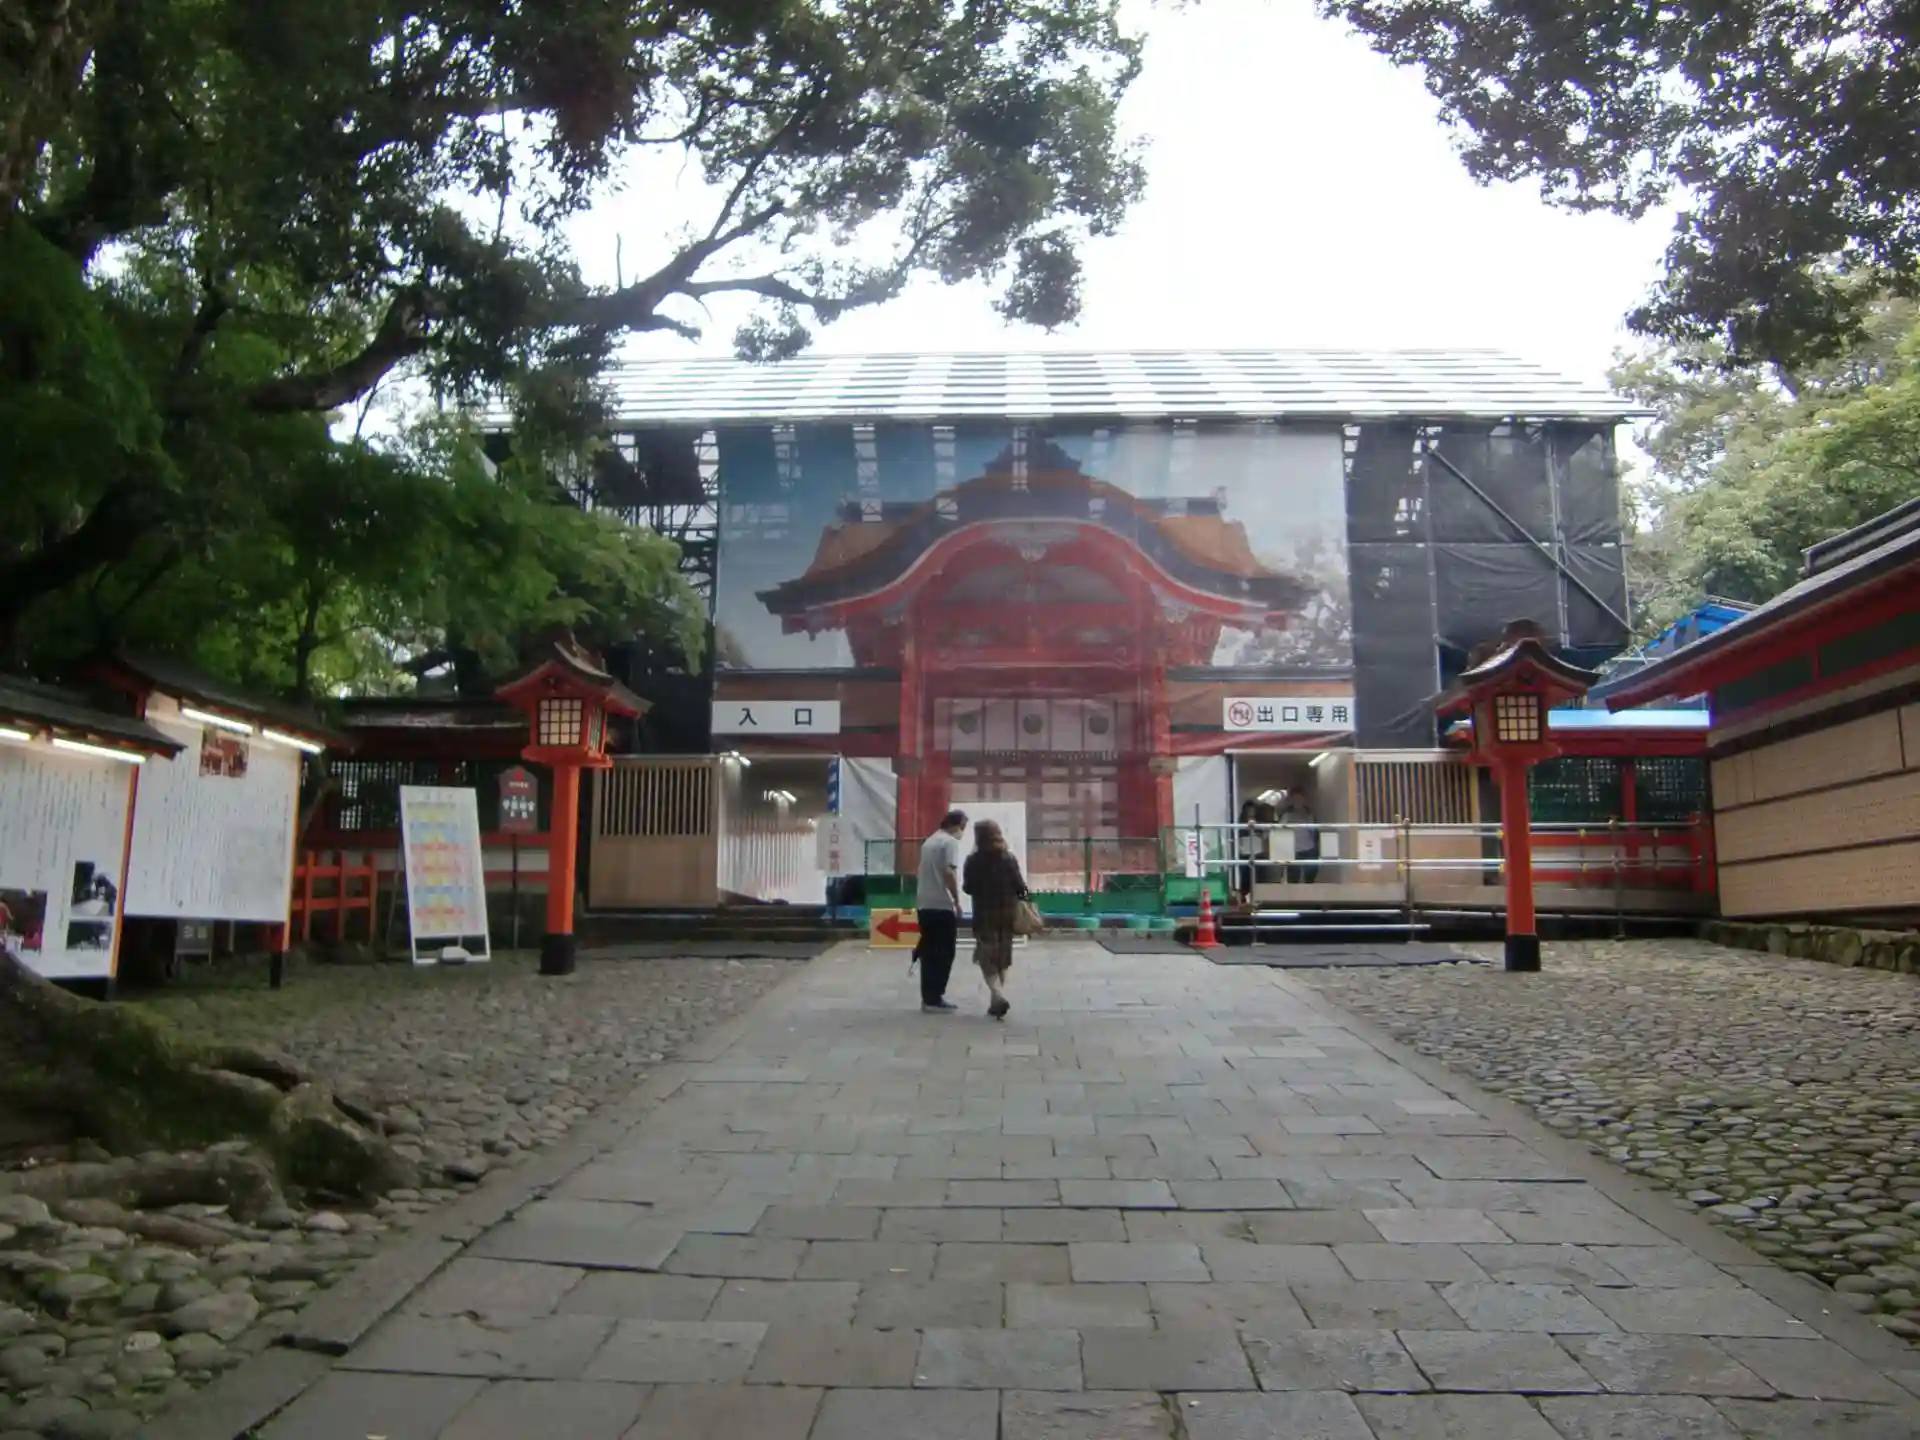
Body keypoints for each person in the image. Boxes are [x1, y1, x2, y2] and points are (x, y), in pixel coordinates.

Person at [962, 818, 1028, 1021]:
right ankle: (995, 1002)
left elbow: (968, 888)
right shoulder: (1009, 858)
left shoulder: (973, 860)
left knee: (986, 955)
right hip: (1007, 912)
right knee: (1002, 955)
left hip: (984, 913)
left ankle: (998, 995)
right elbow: (1020, 886)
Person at [912, 809, 969, 1013]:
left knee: (929, 952)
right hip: (942, 904)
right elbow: (949, 872)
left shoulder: (929, 841)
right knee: (944, 953)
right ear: (955, 825)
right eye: (963, 827)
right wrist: (956, 900)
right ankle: (935, 997)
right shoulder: (949, 842)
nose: (963, 832)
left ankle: (928, 997)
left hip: (924, 904)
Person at [1282, 791, 1320, 884]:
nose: (1298, 800)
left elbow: (1314, 830)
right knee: (1293, 876)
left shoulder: (1309, 814)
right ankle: (1294, 892)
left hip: (1309, 847)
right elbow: (1281, 829)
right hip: (1293, 849)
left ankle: (1309, 890)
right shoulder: (1286, 815)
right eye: (1295, 798)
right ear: (1291, 800)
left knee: (1310, 873)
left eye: (1300, 798)